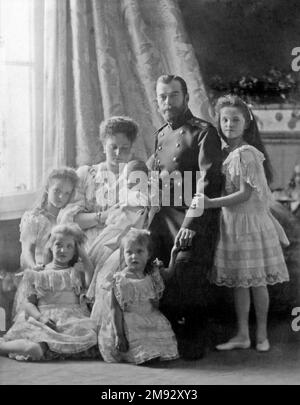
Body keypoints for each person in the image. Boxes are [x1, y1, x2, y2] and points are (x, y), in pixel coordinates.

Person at [193, 95, 290, 352]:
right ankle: (242, 334)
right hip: (232, 223)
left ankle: (261, 335)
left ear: (246, 123)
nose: (229, 124)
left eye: (235, 119)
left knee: (256, 281)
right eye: (224, 119)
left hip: (249, 224)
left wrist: (210, 203)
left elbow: (245, 194)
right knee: (240, 282)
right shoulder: (227, 153)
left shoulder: (246, 153)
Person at [147, 75, 223, 359]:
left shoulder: (204, 132)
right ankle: (165, 334)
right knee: (151, 266)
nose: (168, 102)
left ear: (186, 97)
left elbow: (208, 183)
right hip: (163, 215)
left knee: (186, 268)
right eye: (162, 97)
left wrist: (191, 224)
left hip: (195, 215)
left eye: (173, 95)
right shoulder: (161, 134)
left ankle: (193, 337)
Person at [0, 224, 98, 361]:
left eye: (69, 246)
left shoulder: (76, 272)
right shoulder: (39, 274)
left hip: (72, 321)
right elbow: (28, 304)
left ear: (75, 250)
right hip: (45, 321)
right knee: (33, 349)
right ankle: (3, 345)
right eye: (58, 244)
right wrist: (41, 318)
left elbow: (89, 281)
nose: (63, 250)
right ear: (50, 246)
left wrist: (82, 252)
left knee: (93, 340)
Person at [98, 229, 179, 364]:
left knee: (158, 336)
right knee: (138, 337)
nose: (134, 256)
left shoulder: (152, 272)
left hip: (149, 316)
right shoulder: (119, 279)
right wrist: (119, 335)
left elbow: (169, 274)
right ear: (123, 255)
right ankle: (142, 353)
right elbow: (115, 309)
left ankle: (153, 351)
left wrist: (174, 254)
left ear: (148, 254)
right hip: (130, 320)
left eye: (139, 251)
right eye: (129, 252)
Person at [60, 116, 139, 249]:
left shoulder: (136, 178)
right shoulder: (85, 175)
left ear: (131, 149)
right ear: (104, 146)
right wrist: (103, 216)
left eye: (124, 148)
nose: (118, 153)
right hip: (86, 246)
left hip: (122, 246)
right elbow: (69, 221)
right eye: (113, 147)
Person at [13, 167, 79, 319]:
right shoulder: (35, 218)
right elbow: (26, 250)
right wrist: (34, 267)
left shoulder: (68, 217)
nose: (61, 196)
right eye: (57, 190)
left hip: (61, 280)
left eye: (67, 193)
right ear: (48, 188)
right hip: (40, 277)